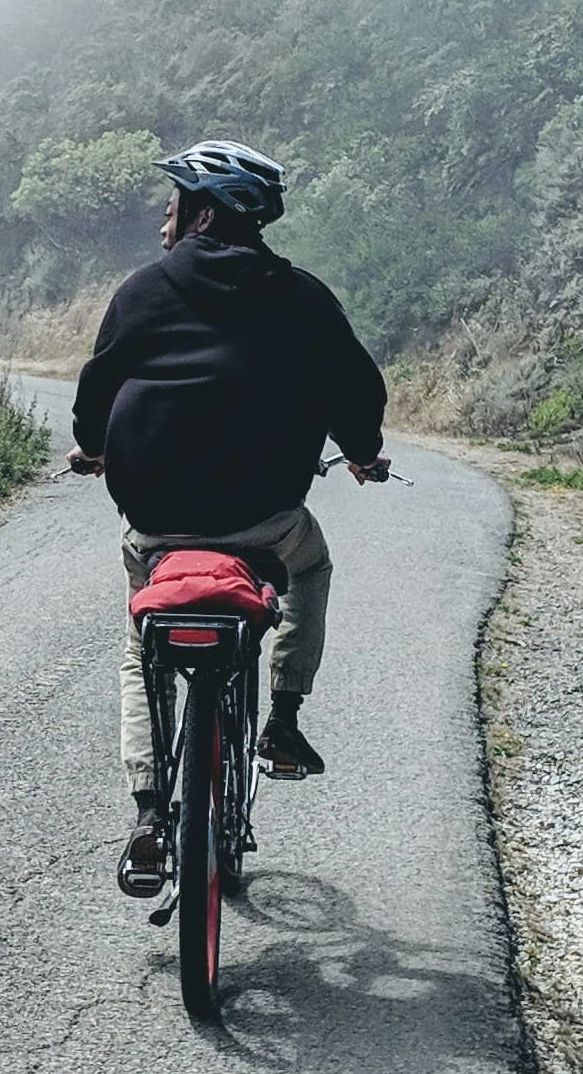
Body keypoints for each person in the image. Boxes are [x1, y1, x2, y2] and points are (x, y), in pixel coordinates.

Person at [63, 139, 389, 895]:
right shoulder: (305, 297)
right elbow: (356, 394)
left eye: (173, 203)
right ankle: (282, 715)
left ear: (204, 212)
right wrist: (364, 454)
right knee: (312, 565)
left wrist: (91, 448)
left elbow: (95, 393)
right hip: (264, 521)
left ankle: (149, 814)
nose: (163, 220)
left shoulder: (142, 292)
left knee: (135, 641)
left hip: (156, 526)